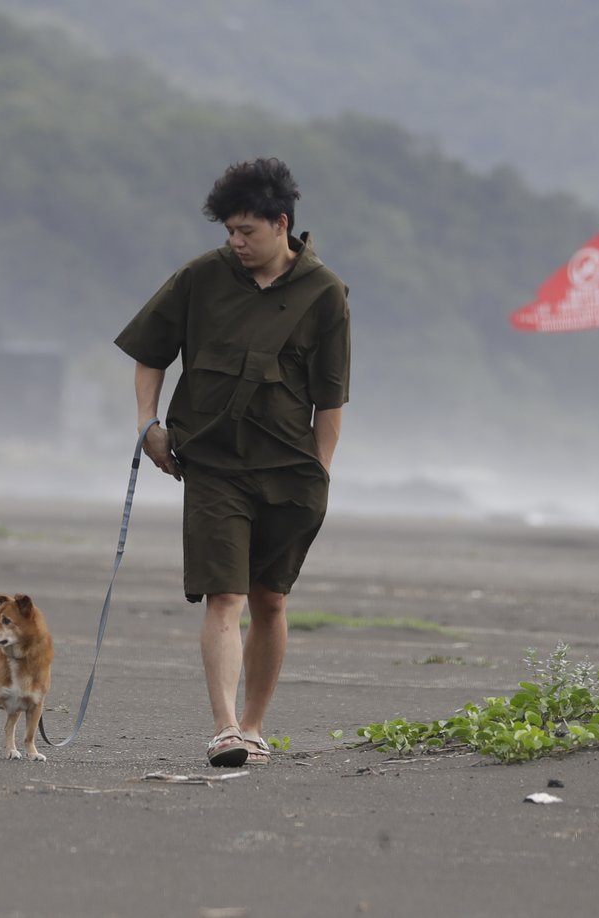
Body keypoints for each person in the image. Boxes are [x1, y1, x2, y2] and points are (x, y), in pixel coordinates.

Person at [114, 157, 350, 767]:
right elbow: (149, 351)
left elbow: (331, 399)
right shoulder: (201, 277)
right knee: (226, 595)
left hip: (290, 471)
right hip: (215, 465)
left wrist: (320, 475)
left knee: (270, 599)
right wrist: (149, 423)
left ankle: (254, 726)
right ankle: (224, 730)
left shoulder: (324, 294)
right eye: (228, 232)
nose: (235, 243)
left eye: (246, 231)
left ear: (282, 224)